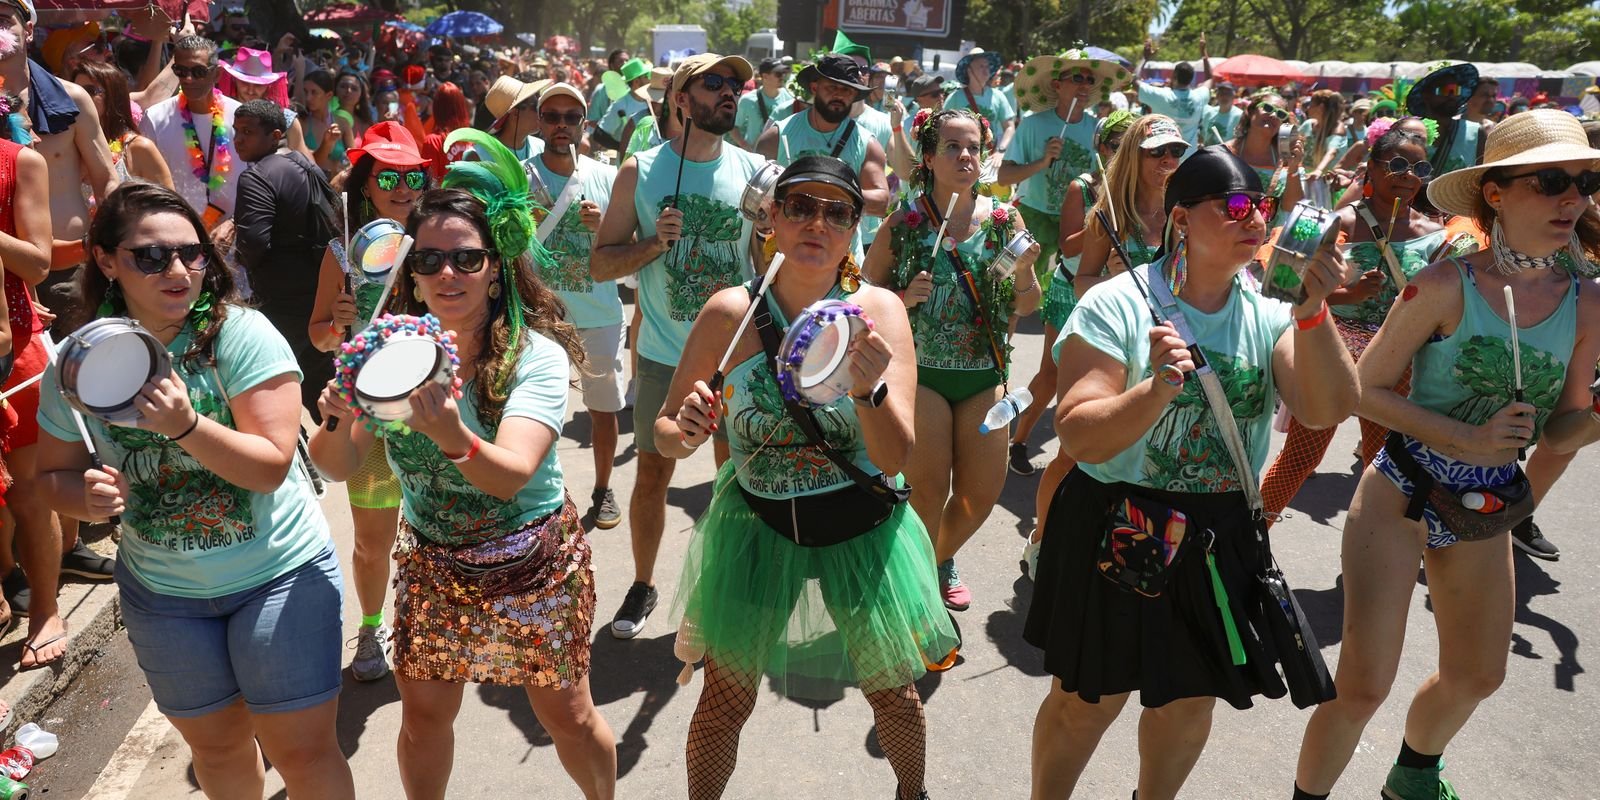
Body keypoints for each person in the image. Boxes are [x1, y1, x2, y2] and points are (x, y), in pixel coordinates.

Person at [1028, 145, 1358, 799]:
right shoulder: (1117, 305)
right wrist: (1155, 391)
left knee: (1187, 703)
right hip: (1119, 520)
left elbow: (1327, 408)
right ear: (1180, 218)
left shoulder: (1269, 312)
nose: (1253, 218)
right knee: (1088, 698)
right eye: (1233, 205)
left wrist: (1314, 312)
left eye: (1262, 204)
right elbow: (1078, 434)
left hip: (1216, 531)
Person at [1293, 109, 1600, 800]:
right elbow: (1362, 389)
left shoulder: (1587, 303)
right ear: (1496, 193)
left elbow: (1559, 435)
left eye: (1584, 182)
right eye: (1550, 181)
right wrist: (1466, 438)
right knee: (1362, 687)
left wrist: (1597, 418)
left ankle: (1413, 775)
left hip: (1485, 505)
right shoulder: (1443, 284)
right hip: (1400, 491)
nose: (1572, 199)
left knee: (1478, 675)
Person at [36, 182, 354, 799]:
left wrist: (185, 426)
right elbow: (53, 477)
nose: (178, 271)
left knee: (302, 751)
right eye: (152, 257)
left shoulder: (241, 335)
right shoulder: (76, 363)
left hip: (278, 575)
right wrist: (84, 497)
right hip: (164, 596)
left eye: (193, 253)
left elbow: (270, 467)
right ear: (105, 260)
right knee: (218, 750)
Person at [658, 155, 958, 800]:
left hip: (862, 527)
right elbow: (664, 434)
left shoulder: (878, 312)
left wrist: (867, 391)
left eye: (836, 212)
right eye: (799, 206)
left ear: (853, 228)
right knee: (724, 702)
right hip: (756, 526)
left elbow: (896, 456)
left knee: (893, 695)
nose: (816, 223)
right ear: (772, 217)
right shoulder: (730, 313)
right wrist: (684, 428)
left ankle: (913, 795)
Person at [310, 188, 617, 800]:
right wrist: (337, 418)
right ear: (411, 274)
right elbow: (336, 465)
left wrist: (451, 434)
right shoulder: (391, 351)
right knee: (423, 719)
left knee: (568, 716)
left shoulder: (535, 356)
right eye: (429, 260)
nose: (447, 273)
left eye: (466, 258)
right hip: (434, 563)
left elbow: (511, 476)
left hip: (534, 564)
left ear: (495, 268)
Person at [592, 53, 766, 638]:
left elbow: (768, 265)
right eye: (713, 83)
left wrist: (770, 238)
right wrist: (652, 245)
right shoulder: (640, 171)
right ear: (681, 100)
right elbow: (600, 263)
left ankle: (723, 591)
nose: (729, 91)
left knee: (736, 482)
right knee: (652, 476)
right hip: (664, 356)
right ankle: (642, 585)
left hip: (738, 357)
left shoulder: (757, 172)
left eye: (735, 83)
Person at [862, 108, 1042, 610]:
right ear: (927, 157)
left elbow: (1028, 305)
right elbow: (864, 296)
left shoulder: (1004, 220)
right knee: (927, 489)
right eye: (952, 147)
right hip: (922, 376)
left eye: (973, 148)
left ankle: (933, 556)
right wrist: (903, 297)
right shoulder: (906, 222)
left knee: (980, 494)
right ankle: (925, 576)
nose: (965, 157)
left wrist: (1024, 272)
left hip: (985, 374)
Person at [1260, 126, 1472, 522]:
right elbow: (1283, 288)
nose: (1408, 176)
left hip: (1397, 362)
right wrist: (1348, 295)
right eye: (1397, 164)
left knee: (1383, 465)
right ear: (1370, 168)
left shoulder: (1438, 237)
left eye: (1419, 168)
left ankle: (1371, 547)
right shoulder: (1328, 222)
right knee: (1301, 458)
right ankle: (1251, 540)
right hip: (1332, 351)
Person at [306, 121, 430, 682]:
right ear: (366, 184)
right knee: (373, 541)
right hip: (368, 415)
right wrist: (337, 323)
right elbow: (318, 337)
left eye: (413, 177)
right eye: (389, 177)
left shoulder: (440, 244)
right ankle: (373, 626)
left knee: (439, 530)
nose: (403, 188)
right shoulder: (343, 251)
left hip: (432, 408)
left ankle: (430, 619)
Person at [1014, 111, 1133, 575]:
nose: (1122, 153)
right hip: (1071, 289)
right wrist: (1103, 215)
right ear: (1102, 147)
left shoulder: (1146, 195)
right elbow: (1067, 247)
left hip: (1121, 307)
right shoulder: (1083, 187)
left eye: (1130, 145)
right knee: (1051, 378)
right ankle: (1019, 439)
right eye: (1116, 144)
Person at [523, 83, 627, 529]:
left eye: (571, 117)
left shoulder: (608, 176)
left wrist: (602, 226)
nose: (561, 125)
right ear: (539, 122)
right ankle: (543, 497)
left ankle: (603, 490)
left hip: (600, 316)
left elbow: (628, 243)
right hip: (541, 318)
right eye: (552, 116)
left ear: (584, 124)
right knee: (536, 412)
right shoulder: (520, 177)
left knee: (603, 411)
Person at [0, 82, 64, 664]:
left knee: (28, 494)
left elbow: (39, 262)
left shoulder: (20, 161)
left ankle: (46, 611)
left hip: (13, 348)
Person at [231, 99, 342, 418]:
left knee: (270, 380)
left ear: (275, 135)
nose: (238, 140)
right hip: (317, 294)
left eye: (248, 132)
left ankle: (295, 443)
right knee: (319, 378)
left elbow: (253, 243)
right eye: (236, 131)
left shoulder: (256, 177)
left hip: (279, 301)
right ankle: (342, 438)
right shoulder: (304, 163)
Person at [1001, 49, 1128, 295]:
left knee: (1073, 292)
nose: (1085, 85)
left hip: (1080, 222)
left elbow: (1105, 177)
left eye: (1090, 80)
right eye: (1077, 78)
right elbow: (1004, 177)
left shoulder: (1098, 130)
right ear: (1057, 85)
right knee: (1017, 289)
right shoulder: (1032, 124)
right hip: (1034, 215)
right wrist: (1042, 162)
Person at [757, 53, 890, 261]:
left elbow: (881, 202)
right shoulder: (776, 137)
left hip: (843, 264)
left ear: (854, 96)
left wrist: (828, 193)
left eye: (846, 90)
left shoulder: (867, 144)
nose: (839, 95)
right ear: (814, 87)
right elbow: (755, 196)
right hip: (786, 258)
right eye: (832, 87)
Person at [1075, 115, 1186, 297]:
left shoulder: (1187, 213)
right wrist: (1112, 279)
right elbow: (1080, 286)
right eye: (1157, 150)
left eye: (1176, 150)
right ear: (1133, 157)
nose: (1168, 159)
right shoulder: (1110, 216)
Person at [140, 35, 240, 229]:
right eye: (181, 70)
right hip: (175, 232)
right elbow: (143, 182)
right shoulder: (154, 119)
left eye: (198, 72)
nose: (188, 79)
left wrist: (234, 224)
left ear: (217, 74)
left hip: (230, 233)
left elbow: (257, 181)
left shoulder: (241, 117)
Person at [69, 59, 173, 189]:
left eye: (90, 91)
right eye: (75, 92)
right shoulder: (67, 147)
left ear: (113, 97)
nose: (79, 97)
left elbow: (168, 201)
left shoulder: (139, 148)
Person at [1225, 92, 1305, 226]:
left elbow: (1291, 207)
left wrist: (1293, 169)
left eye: (1280, 114)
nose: (1273, 115)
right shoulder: (1226, 152)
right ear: (1251, 111)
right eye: (1268, 108)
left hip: (1266, 237)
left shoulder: (1287, 160)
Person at [217, 47, 311, 160]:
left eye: (258, 85)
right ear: (234, 80)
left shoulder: (286, 119)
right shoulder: (219, 111)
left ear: (268, 85)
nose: (251, 90)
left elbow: (305, 164)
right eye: (244, 82)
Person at [1133, 34, 1213, 145]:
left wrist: (1144, 58)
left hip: (1162, 152)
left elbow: (1134, 80)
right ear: (1191, 79)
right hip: (1190, 154)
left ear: (1174, 77)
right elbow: (1210, 79)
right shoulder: (1199, 97)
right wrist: (1204, 53)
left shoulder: (1162, 96)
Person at [1409, 62, 1484, 178]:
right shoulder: (1409, 131)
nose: (1451, 95)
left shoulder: (1477, 133)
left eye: (1455, 90)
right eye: (1444, 90)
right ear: (1426, 95)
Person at [942, 48, 1016, 155]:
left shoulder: (998, 96)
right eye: (981, 66)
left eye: (987, 66)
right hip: (963, 158)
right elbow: (942, 128)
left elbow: (1009, 127)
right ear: (969, 70)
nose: (986, 70)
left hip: (990, 159)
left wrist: (1001, 151)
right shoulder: (955, 98)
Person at [301, 69, 358, 173]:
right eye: (305, 92)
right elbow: (310, 163)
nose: (308, 98)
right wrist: (327, 144)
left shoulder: (343, 123)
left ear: (329, 95)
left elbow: (355, 160)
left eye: (314, 92)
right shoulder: (302, 124)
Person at [732, 57, 791, 151]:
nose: (782, 77)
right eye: (778, 74)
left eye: (784, 73)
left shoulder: (790, 97)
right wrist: (744, 146)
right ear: (765, 76)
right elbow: (734, 126)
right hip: (756, 156)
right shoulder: (747, 100)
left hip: (781, 155)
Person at [1302, 89, 1353, 177]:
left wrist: (1318, 171)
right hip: (1306, 176)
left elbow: (1331, 152)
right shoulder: (1308, 124)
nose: (1308, 108)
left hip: (1327, 180)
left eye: (1311, 105)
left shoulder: (1338, 129)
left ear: (1321, 107)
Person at [585, 49, 629, 143]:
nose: (625, 64)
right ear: (612, 65)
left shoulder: (635, 90)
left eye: (627, 61)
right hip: (608, 145)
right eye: (621, 61)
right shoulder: (601, 90)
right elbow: (592, 121)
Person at [1199, 81, 1240, 146]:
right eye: (1221, 93)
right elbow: (1202, 136)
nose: (1224, 97)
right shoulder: (1209, 113)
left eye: (1228, 94)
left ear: (1233, 96)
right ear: (1217, 96)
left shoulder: (1239, 116)